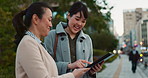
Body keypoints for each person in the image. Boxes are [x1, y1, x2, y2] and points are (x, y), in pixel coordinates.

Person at [12, 2, 90, 78]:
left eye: (83, 21)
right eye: (49, 20)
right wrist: (73, 75)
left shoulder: (36, 44)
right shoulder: (28, 44)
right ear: (35, 19)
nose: (51, 25)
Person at [44, 1, 103, 78]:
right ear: (68, 16)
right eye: (77, 19)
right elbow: (46, 65)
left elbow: (88, 67)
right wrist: (69, 66)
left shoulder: (87, 39)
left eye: (83, 21)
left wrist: (92, 71)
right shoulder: (52, 35)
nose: (79, 24)